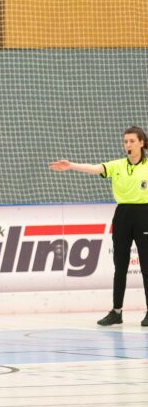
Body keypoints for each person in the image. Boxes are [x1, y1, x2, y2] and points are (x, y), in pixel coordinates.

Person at [49, 125, 148, 327]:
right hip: (122, 216)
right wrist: (71, 165)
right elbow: (94, 168)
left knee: (146, 266)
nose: (127, 145)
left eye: (131, 141)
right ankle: (116, 312)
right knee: (120, 266)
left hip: (144, 215)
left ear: (141, 143)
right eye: (125, 141)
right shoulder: (117, 165)